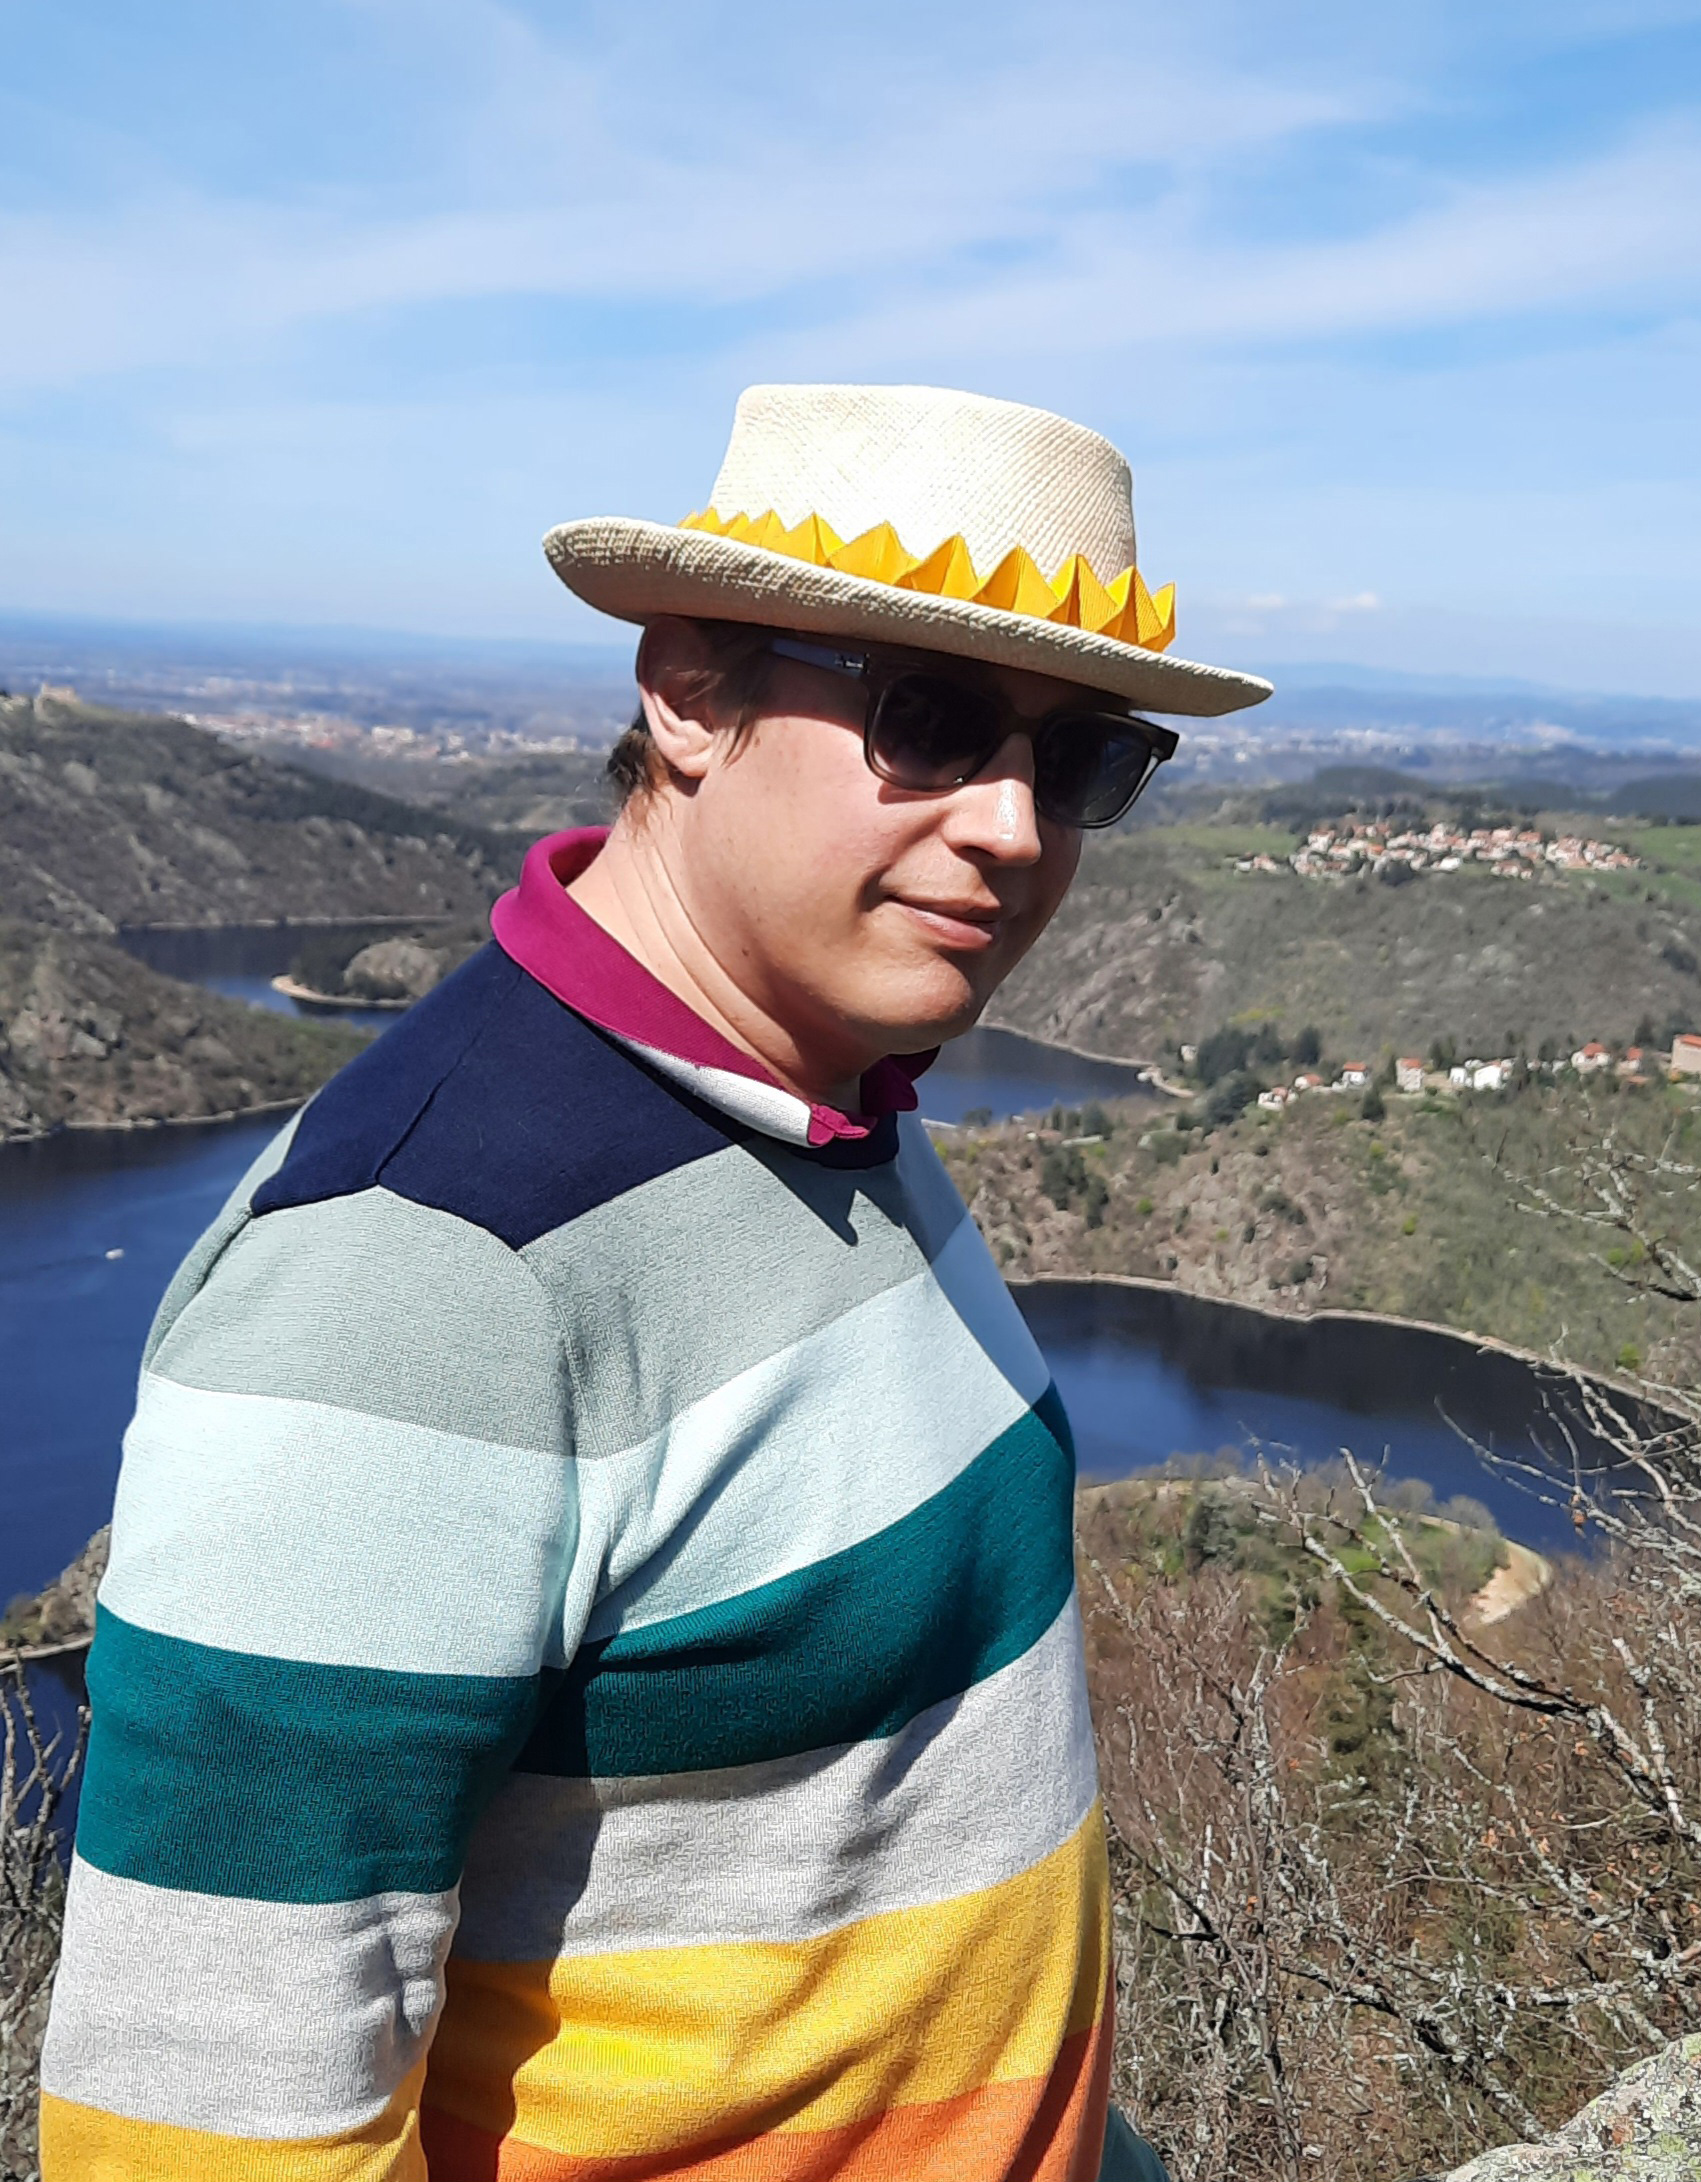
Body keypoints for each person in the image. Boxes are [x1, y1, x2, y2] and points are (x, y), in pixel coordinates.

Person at [39, 383, 1270, 2181]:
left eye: (1078, 757)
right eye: (927, 721)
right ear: (688, 690)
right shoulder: (422, 1272)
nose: (1013, 824)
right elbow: (198, 2138)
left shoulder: (830, 1097)